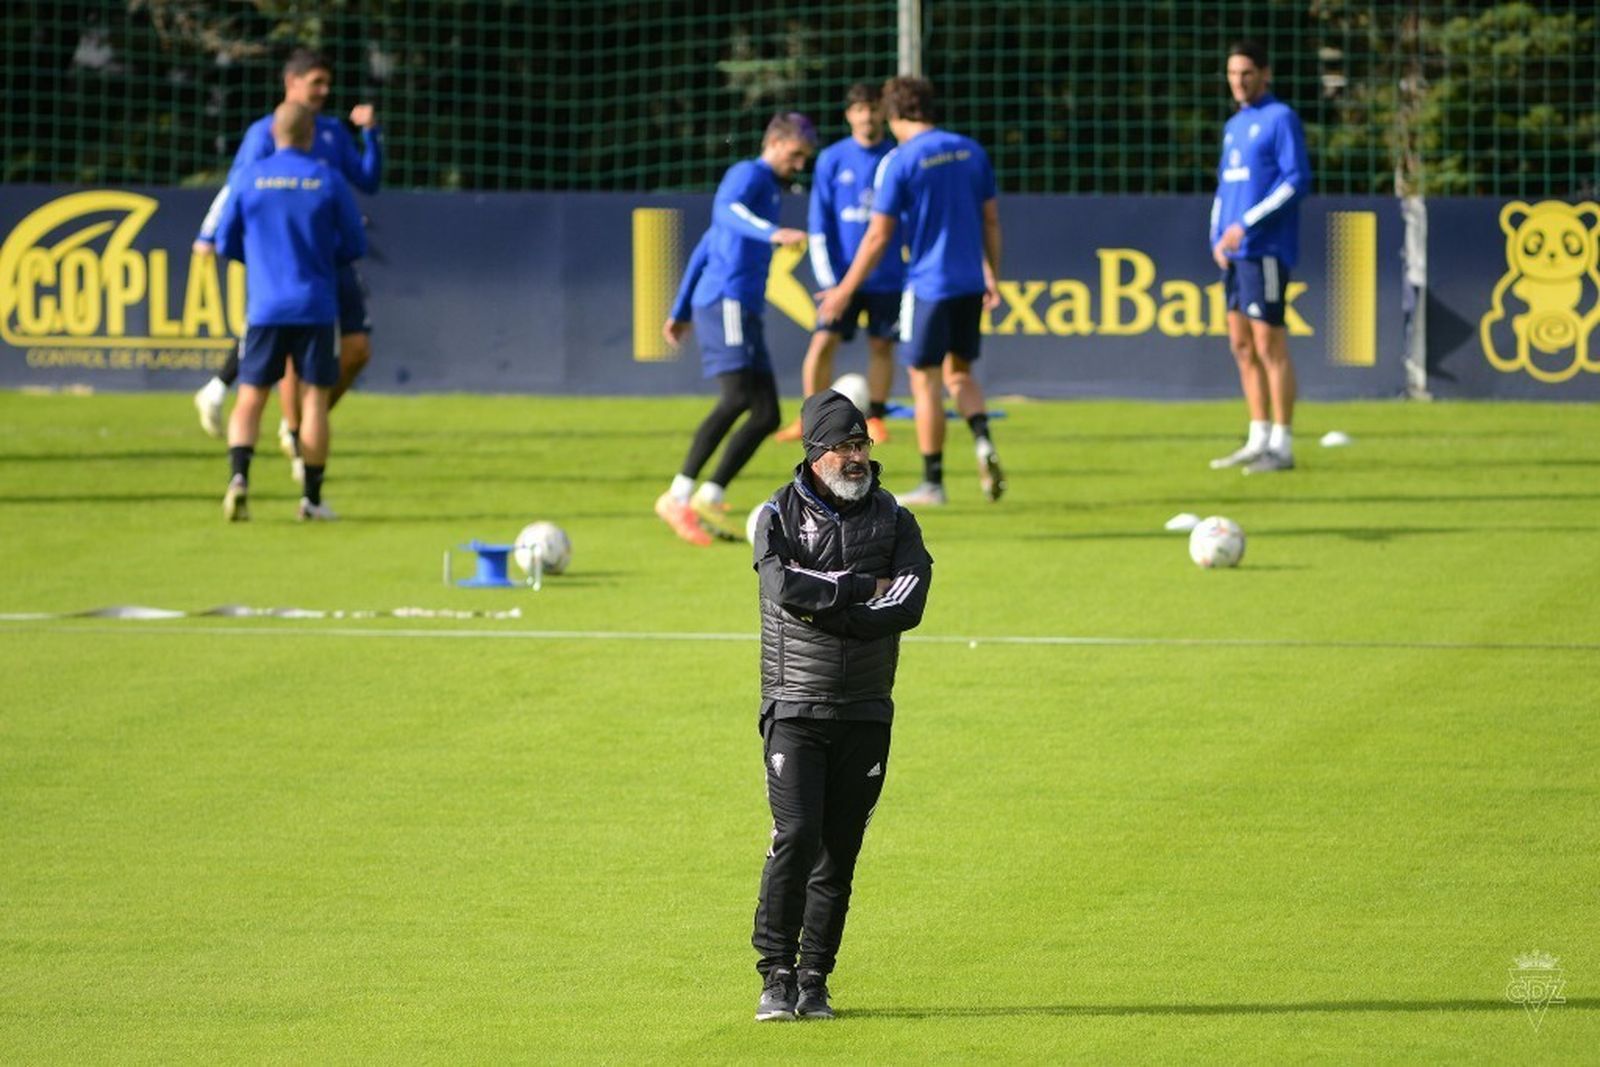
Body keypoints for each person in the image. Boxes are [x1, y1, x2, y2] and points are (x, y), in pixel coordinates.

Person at [748, 389, 933, 1021]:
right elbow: (783, 587)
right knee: (795, 837)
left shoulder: (897, 519)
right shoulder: (774, 513)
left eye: (862, 445)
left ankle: (815, 978)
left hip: (865, 708)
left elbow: (907, 602)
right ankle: (775, 975)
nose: (856, 457)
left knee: (839, 849)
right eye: (843, 447)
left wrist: (837, 609)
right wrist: (860, 592)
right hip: (795, 704)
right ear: (815, 453)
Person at [192, 47, 382, 482]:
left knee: (356, 350)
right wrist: (210, 234)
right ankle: (297, 445)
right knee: (289, 357)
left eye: (326, 82)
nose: (324, 90)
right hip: (292, 264)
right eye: (316, 81)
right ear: (290, 82)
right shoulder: (265, 133)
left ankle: (246, 412)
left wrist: (372, 134)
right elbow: (235, 188)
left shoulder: (331, 132)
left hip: (328, 262)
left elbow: (368, 180)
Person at [817, 77, 1005, 506]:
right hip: (970, 284)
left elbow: (878, 236)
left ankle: (933, 483)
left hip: (928, 284)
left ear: (894, 114)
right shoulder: (972, 151)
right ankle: (981, 440)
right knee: (961, 373)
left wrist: (844, 289)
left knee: (925, 383)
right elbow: (990, 221)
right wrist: (992, 274)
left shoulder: (900, 161)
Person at [657, 113, 816, 545]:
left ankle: (709, 495)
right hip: (725, 299)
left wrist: (680, 307)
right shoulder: (747, 174)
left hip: (742, 306)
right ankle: (677, 496)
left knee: (767, 414)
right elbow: (725, 213)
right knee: (738, 397)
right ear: (776, 142)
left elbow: (708, 242)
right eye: (797, 154)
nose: (800, 164)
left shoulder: (767, 190)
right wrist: (771, 232)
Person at [214, 102, 367, 523]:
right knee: (314, 400)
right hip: (315, 304)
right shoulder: (326, 179)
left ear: (274, 134)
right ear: (311, 135)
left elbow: (225, 240)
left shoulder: (248, 178)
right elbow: (354, 245)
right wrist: (316, 256)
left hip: (264, 306)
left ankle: (239, 480)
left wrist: (263, 262)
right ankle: (312, 501)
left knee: (250, 396)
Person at [773, 82, 904, 446]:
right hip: (841, 277)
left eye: (873, 109)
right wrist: (832, 281)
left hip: (887, 274)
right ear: (849, 115)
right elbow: (819, 224)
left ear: (883, 113)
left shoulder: (895, 157)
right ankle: (809, 419)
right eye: (860, 109)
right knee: (823, 342)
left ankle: (875, 417)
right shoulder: (832, 158)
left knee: (881, 345)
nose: (867, 117)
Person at [1208, 39, 1312, 474]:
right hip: (1233, 255)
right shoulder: (1235, 126)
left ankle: (1282, 445)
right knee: (1241, 345)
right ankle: (1257, 436)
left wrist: (1245, 224)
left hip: (1264, 249)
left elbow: (1295, 180)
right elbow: (1223, 188)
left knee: (1270, 343)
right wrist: (1216, 233)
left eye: (1246, 73)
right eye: (1233, 74)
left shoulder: (1280, 118)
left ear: (1265, 74)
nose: (1238, 82)